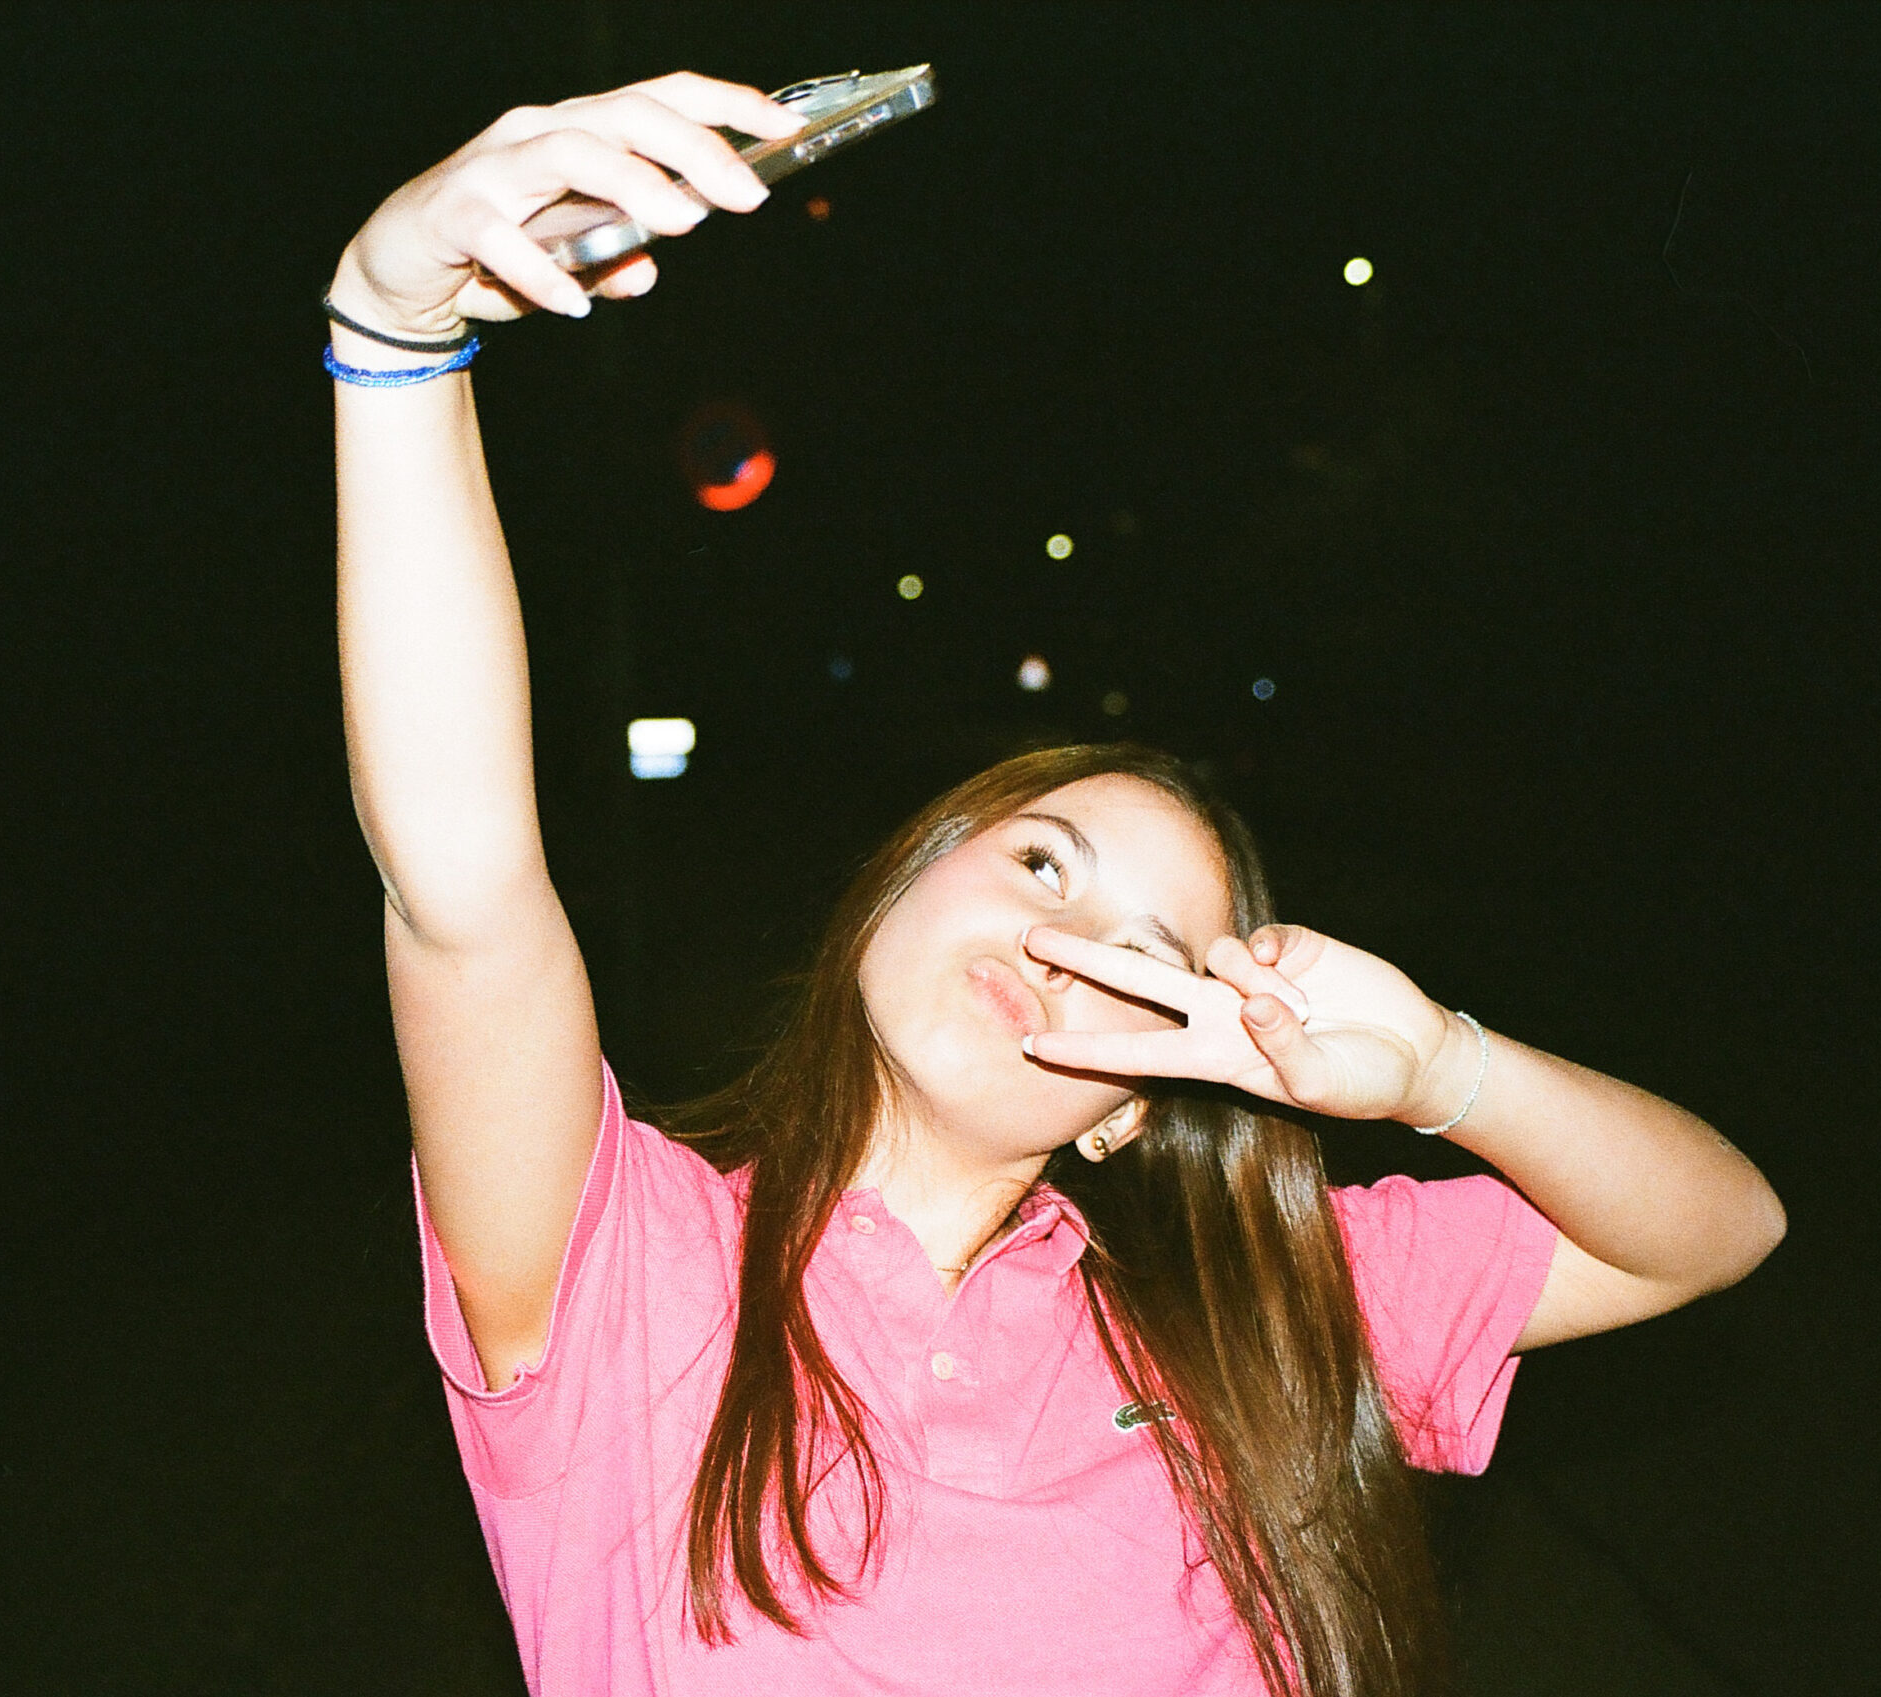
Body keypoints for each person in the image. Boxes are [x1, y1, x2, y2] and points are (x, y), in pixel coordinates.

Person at [326, 72, 1785, 1697]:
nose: (1060, 941)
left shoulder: (1250, 1321)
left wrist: (1444, 1065)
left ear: (1129, 1108)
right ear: (898, 891)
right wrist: (393, 336)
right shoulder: (626, 1267)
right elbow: (463, 888)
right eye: (1041, 860)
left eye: (1141, 955)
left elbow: (1717, 1230)